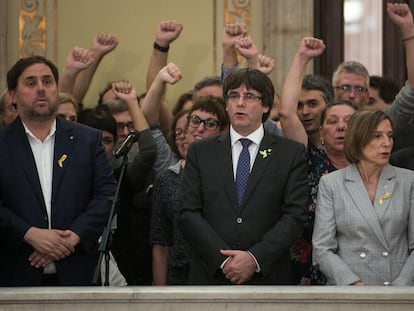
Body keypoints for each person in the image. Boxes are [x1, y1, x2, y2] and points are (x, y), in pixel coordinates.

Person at [178, 68, 308, 285]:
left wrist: (254, 258)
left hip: (268, 275)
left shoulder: (290, 153)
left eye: (249, 97)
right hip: (211, 274)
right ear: (226, 104)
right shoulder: (201, 152)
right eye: (233, 96)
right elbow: (188, 211)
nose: (240, 103)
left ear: (265, 105)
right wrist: (223, 261)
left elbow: (295, 215)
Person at [0, 56, 116, 286]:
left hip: (78, 272)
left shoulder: (87, 139)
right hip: (15, 274)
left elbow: (107, 195)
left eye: (47, 81)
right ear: (13, 95)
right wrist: (29, 233)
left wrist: (72, 237)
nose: (41, 89)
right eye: (31, 83)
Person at [279, 36, 359, 285]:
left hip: (360, 269)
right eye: (333, 122)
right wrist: (302, 57)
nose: (341, 128)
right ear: (322, 132)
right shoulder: (306, 157)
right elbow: (286, 113)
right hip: (307, 268)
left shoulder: (372, 168)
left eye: (349, 123)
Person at [312, 109, 414, 286]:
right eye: (377, 136)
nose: (386, 143)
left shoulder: (408, 180)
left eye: (389, 136)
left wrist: (401, 286)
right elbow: (322, 248)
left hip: (399, 292)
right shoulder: (331, 184)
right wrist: (352, 284)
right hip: (350, 292)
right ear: (358, 140)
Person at [151, 96, 229, 285]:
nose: (199, 128)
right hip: (181, 274)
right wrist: (160, 296)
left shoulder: (232, 176)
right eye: (195, 121)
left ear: (223, 131)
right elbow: (161, 244)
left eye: (210, 123)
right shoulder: (168, 178)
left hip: (221, 272)